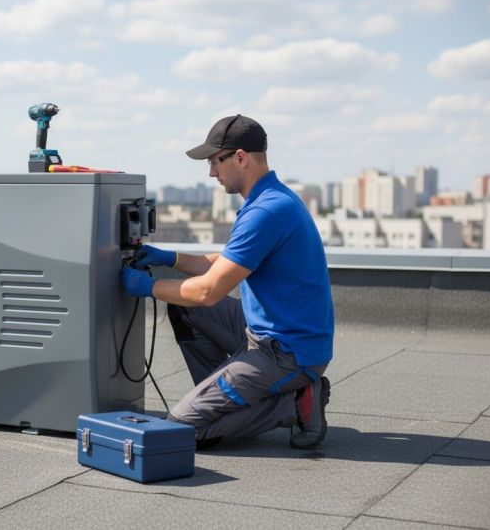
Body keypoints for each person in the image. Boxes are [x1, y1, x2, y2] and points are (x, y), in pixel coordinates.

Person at [121, 114, 334, 450]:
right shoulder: (272, 199)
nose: (211, 173)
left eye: (215, 162)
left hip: (289, 353)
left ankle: (293, 403)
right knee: (184, 310)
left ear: (240, 157)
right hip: (265, 332)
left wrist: (145, 287)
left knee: (180, 430)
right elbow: (223, 263)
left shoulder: (266, 212)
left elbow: (208, 291)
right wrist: (169, 259)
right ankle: (225, 393)